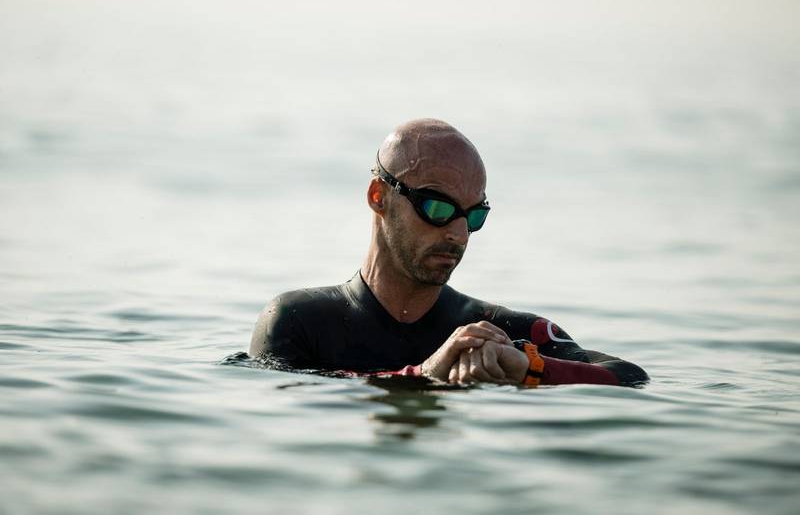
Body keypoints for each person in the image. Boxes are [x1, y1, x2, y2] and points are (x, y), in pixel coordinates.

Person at [250, 119, 648, 387]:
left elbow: (630, 378)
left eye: (474, 216)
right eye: (437, 208)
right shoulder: (298, 322)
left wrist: (529, 367)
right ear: (378, 197)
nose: (458, 234)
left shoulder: (502, 333)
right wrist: (425, 375)